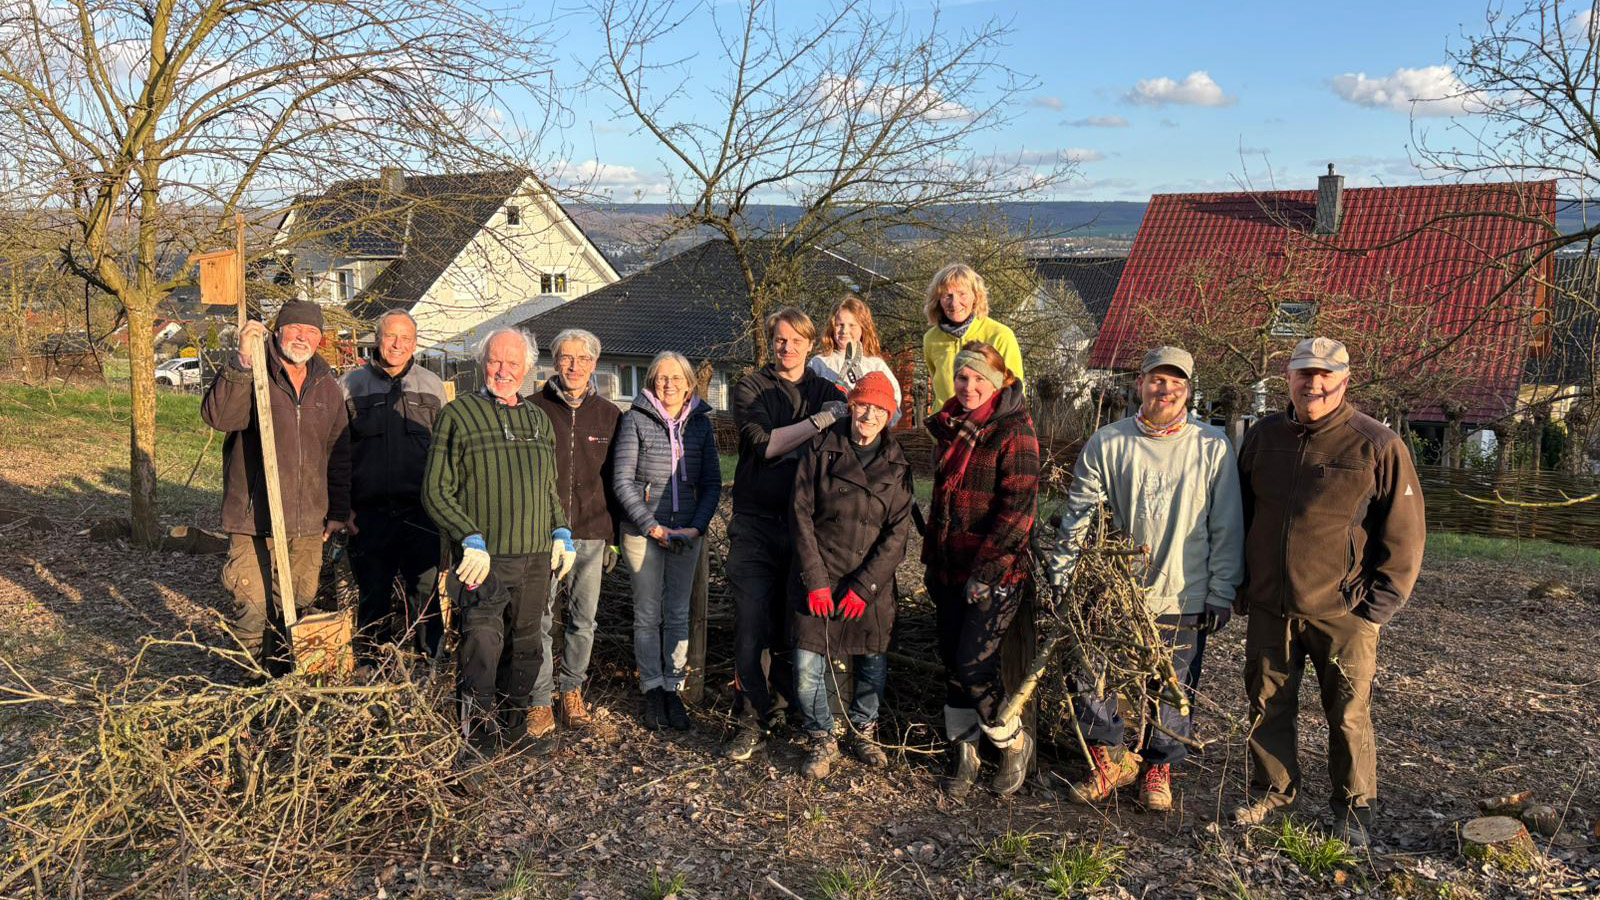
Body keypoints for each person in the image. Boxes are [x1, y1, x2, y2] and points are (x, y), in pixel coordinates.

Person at [1233, 336, 1426, 848]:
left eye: (1325, 375)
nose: (1313, 384)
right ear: (1288, 378)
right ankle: (1272, 791)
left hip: (1343, 609)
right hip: (1271, 605)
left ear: (1344, 380)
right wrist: (1243, 583)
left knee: (1347, 712)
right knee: (1266, 704)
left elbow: (1405, 534)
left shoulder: (1376, 444)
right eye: (1304, 373)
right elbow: (1241, 514)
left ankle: (1354, 807)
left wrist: (1375, 607)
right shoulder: (1262, 437)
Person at [1048, 346, 1244, 811]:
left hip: (1183, 590)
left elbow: (1227, 524)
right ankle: (1110, 757)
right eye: (1157, 380)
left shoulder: (1211, 447)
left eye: (1176, 383)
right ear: (1140, 384)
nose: (1165, 390)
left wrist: (1221, 591)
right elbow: (1079, 514)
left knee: (1174, 684)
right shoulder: (1108, 443)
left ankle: (1159, 766)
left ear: (1189, 391)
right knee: (1089, 674)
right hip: (1112, 592)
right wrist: (1063, 574)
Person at [422, 328, 576, 758]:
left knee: (526, 647)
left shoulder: (538, 420)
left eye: (512, 363)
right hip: (482, 560)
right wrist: (467, 536)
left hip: (535, 558)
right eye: (495, 361)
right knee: (482, 645)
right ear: (481, 363)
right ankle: (476, 736)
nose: (503, 371)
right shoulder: (457, 415)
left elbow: (548, 489)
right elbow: (435, 490)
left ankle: (514, 729)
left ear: (527, 368)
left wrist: (560, 531)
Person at [724, 307, 848, 761]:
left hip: (807, 529)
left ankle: (786, 712)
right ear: (770, 342)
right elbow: (765, 444)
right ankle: (750, 719)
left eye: (797, 340)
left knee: (794, 625)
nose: (787, 347)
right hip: (755, 524)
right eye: (780, 339)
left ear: (811, 345)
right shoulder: (750, 387)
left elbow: (869, 422)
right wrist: (819, 422)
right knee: (751, 624)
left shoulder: (826, 390)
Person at [201, 300, 351, 672]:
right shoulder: (254, 371)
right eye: (295, 328)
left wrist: (336, 511)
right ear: (278, 330)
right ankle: (253, 688)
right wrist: (242, 362)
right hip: (254, 518)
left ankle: (288, 684)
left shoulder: (327, 387)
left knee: (297, 608)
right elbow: (219, 417)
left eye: (312, 332)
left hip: (307, 523)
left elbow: (338, 453)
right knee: (252, 611)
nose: (303, 337)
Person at [924, 341, 1040, 798]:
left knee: (974, 665)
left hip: (996, 574)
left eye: (978, 379)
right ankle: (965, 751)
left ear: (998, 382)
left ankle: (1013, 743)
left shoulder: (1013, 431)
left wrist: (986, 573)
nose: (968, 386)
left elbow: (1018, 511)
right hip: (948, 567)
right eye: (962, 377)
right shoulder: (951, 426)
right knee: (951, 663)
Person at [789, 372, 914, 778]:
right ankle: (821, 735)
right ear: (851, 406)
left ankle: (864, 730)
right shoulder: (820, 448)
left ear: (889, 416)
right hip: (819, 573)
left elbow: (898, 535)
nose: (869, 415)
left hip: (869, 583)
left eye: (880, 409)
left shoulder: (897, 464)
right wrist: (815, 579)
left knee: (871, 663)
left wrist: (865, 586)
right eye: (863, 406)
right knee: (807, 666)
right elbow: (800, 515)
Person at [612, 350, 721, 731]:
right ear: (651, 381)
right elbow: (622, 481)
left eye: (676, 378)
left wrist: (697, 527)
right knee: (647, 613)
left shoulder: (701, 425)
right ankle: (652, 687)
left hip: (686, 533)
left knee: (677, 613)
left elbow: (712, 483)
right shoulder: (635, 420)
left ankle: (673, 687)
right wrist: (650, 526)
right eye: (661, 377)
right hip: (643, 532)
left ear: (689, 384)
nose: (669, 384)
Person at [341, 309, 449, 664]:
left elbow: (446, 450)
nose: (397, 344)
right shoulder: (351, 385)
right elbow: (335, 452)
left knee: (426, 592)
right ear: (377, 339)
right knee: (373, 592)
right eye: (391, 336)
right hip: (369, 513)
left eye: (406, 338)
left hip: (421, 511)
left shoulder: (431, 385)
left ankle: (430, 661)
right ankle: (372, 663)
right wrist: (343, 507)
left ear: (415, 343)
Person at [529, 328, 622, 730]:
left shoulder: (610, 415)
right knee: (539, 620)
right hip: (542, 534)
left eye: (583, 359)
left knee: (584, 620)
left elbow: (617, 481)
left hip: (591, 532)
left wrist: (613, 539)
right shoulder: (533, 409)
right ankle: (539, 699)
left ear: (594, 364)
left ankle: (571, 690)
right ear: (554, 361)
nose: (574, 366)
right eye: (566, 357)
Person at [921, 264, 1025, 409]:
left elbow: (1014, 392)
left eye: (962, 294)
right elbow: (937, 389)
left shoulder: (1000, 335)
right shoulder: (931, 339)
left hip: (988, 421)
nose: (954, 303)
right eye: (947, 296)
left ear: (976, 296)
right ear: (938, 300)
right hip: (945, 421)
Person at [807, 296, 903, 424]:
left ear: (863, 328)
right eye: (839, 325)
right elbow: (806, 401)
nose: (844, 331)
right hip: (827, 431)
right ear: (832, 327)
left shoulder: (876, 365)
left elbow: (893, 406)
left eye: (852, 325)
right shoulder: (819, 363)